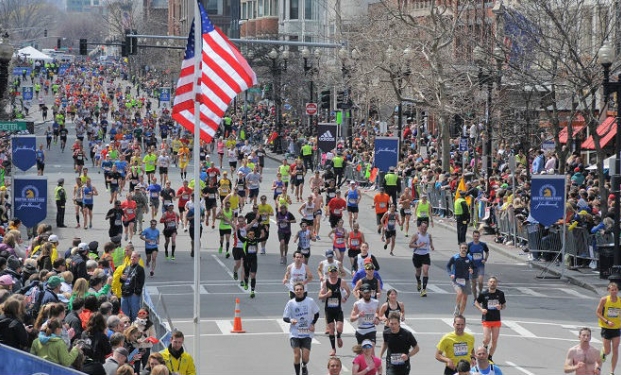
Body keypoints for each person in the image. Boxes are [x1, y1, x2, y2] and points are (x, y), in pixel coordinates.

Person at [283, 282, 320, 375]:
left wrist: (312, 323)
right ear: (294, 291)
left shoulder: (310, 301)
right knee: (296, 356)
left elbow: (317, 313)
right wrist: (291, 321)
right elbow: (285, 317)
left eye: (300, 289)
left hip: (307, 333)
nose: (299, 291)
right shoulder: (291, 303)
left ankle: (304, 365)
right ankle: (297, 373)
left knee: (305, 357)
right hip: (295, 333)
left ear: (303, 290)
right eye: (297, 290)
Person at [318, 265, 350, 356]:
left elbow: (348, 291)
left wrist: (346, 298)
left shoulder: (341, 282)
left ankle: (339, 336)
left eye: (334, 272)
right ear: (328, 273)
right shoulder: (325, 283)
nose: (333, 274)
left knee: (339, 328)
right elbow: (319, 296)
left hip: (338, 309)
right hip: (329, 310)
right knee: (331, 330)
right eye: (331, 272)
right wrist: (326, 295)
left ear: (337, 272)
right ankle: (333, 349)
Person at [474, 276, 506, 361]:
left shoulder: (500, 294)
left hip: (496, 319)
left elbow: (504, 305)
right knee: (486, 339)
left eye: (494, 282)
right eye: (491, 282)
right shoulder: (484, 294)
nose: (492, 283)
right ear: (488, 283)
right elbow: (476, 302)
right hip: (487, 319)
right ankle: (484, 349)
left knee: (494, 340)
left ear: (496, 284)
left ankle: (489, 357)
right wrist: (481, 309)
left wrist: (501, 307)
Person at [596, 281, 621, 373]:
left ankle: (612, 372)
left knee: (616, 350)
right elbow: (598, 313)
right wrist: (607, 321)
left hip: (617, 328)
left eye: (616, 290)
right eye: (612, 290)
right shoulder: (604, 300)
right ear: (608, 291)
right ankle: (603, 353)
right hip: (606, 328)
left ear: (618, 290)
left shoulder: (620, 300)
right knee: (608, 351)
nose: (614, 291)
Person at [447, 243, 476, 316]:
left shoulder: (470, 258)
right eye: (462, 248)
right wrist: (451, 274)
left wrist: (472, 270)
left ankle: (460, 315)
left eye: (465, 248)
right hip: (456, 280)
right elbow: (448, 266)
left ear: (467, 249)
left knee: (465, 298)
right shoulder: (455, 257)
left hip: (466, 280)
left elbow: (473, 267)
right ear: (460, 249)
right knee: (459, 293)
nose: (464, 249)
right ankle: (457, 307)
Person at [409, 221, 434, 297]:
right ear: (420, 227)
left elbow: (430, 241)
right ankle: (418, 281)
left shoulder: (429, 235)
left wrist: (432, 246)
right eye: (422, 227)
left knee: (425, 271)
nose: (424, 229)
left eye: (425, 227)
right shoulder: (416, 235)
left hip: (425, 255)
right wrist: (418, 246)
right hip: (417, 255)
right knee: (418, 272)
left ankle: (424, 290)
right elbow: (410, 245)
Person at [120, 252, 145, 321]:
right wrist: (122, 278)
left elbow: (141, 282)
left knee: (134, 313)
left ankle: (135, 327)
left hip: (133, 294)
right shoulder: (127, 268)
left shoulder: (140, 269)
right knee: (124, 314)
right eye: (132, 257)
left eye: (134, 257)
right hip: (124, 293)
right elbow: (121, 280)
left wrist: (137, 292)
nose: (132, 259)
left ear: (138, 259)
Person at [467, 230, 490, 300]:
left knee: (480, 282)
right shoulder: (469, 245)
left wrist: (485, 259)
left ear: (479, 237)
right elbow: (465, 254)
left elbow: (487, 252)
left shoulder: (483, 244)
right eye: (475, 236)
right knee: (474, 284)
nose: (476, 237)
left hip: (480, 266)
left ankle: (480, 292)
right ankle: (475, 298)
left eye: (477, 236)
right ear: (472, 236)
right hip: (472, 266)